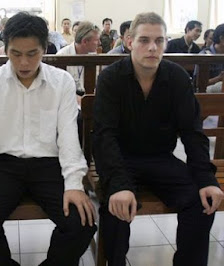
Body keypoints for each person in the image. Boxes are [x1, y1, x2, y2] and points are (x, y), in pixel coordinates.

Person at [0, 12, 97, 266]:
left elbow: (69, 137)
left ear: (45, 49)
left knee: (82, 222)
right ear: (5, 50)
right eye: (15, 53)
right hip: (4, 165)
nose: (24, 62)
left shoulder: (62, 82)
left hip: (49, 164)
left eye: (32, 53)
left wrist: (74, 184)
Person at [93, 12, 224, 266]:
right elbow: (104, 135)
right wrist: (119, 184)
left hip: (161, 159)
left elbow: (192, 133)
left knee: (201, 203)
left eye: (159, 40)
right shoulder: (111, 78)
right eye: (144, 40)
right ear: (129, 42)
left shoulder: (176, 78)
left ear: (165, 42)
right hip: (121, 159)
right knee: (115, 209)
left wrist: (207, 179)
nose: (152, 47)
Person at [57, 21, 100, 96]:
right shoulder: (62, 56)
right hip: (67, 98)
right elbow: (58, 88)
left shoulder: (94, 56)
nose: (99, 43)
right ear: (85, 42)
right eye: (96, 40)